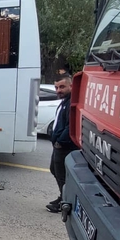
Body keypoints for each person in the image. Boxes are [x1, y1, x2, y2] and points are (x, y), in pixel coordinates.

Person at [46, 73, 78, 213]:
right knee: (54, 169)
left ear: (71, 86)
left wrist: (60, 141)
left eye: (62, 87)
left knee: (62, 175)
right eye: (56, 87)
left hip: (64, 147)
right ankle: (63, 197)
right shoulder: (65, 101)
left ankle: (66, 202)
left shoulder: (71, 102)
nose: (58, 90)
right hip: (58, 146)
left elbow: (70, 126)